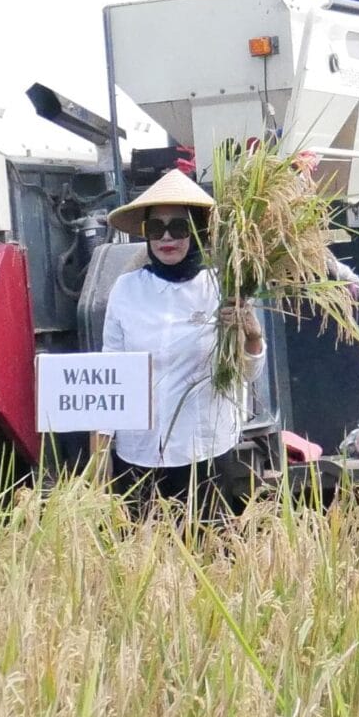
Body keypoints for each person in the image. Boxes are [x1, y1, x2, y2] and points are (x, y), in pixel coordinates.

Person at [99, 168, 265, 517]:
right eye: (156, 228)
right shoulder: (126, 290)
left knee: (207, 554)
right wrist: (100, 460)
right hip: (138, 451)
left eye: (179, 226)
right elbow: (110, 372)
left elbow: (246, 374)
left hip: (203, 450)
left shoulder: (222, 287)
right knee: (141, 559)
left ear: (198, 230)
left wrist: (252, 336)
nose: (166, 238)